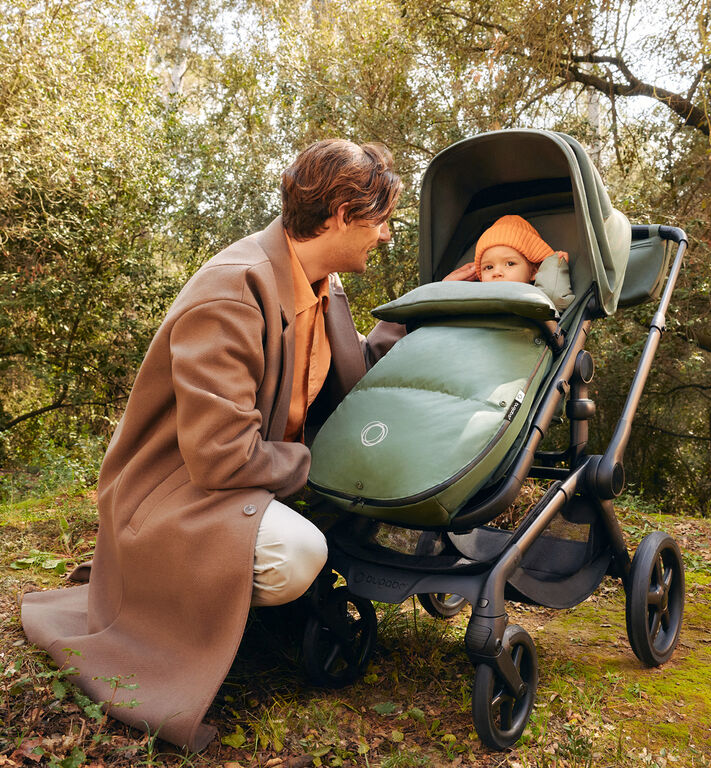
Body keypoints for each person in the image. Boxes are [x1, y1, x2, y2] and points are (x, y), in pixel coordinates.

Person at [20, 139, 405, 751]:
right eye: (380, 219)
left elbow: (355, 371)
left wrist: (425, 310)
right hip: (176, 492)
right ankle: (182, 610)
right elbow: (222, 456)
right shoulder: (233, 288)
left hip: (245, 478)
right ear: (341, 213)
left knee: (322, 526)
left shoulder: (321, 286)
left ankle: (226, 598)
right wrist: (319, 470)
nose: (385, 236)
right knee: (299, 552)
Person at [446, 214, 574, 310]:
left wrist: (553, 269)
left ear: (534, 271)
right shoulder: (475, 302)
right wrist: (447, 288)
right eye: (488, 267)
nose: (496, 273)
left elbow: (554, 299)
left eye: (510, 264)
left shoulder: (536, 302)